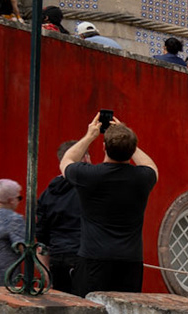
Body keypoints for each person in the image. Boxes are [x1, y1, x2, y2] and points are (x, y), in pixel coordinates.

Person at [60, 116, 157, 296]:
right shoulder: (142, 178)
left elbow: (66, 160)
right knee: (127, 310)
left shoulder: (89, 175)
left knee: (90, 308)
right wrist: (127, 141)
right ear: (132, 149)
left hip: (93, 258)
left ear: (104, 147)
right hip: (130, 261)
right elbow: (150, 165)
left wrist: (89, 136)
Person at [34, 145, 86, 293]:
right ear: (85, 158)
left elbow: (42, 235)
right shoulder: (88, 189)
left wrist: (45, 271)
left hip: (57, 256)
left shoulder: (48, 193)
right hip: (83, 255)